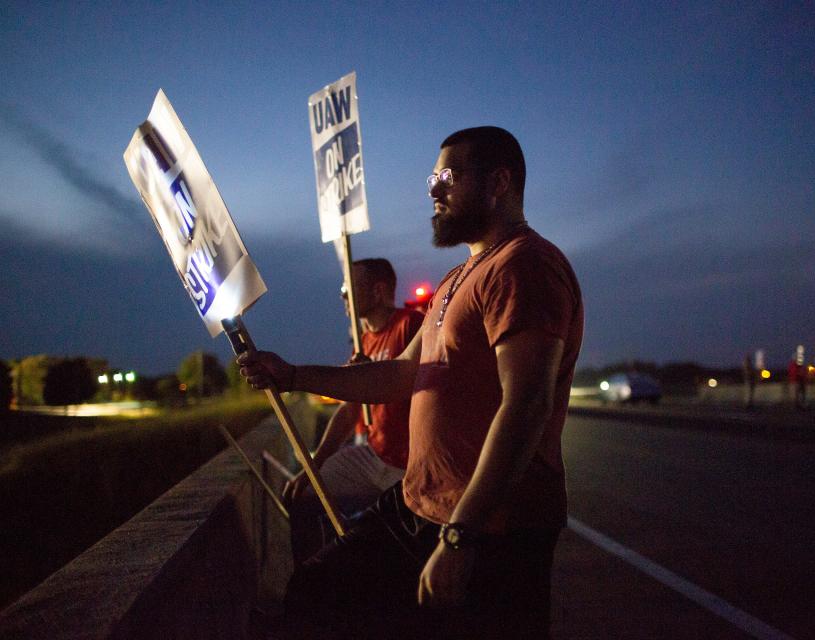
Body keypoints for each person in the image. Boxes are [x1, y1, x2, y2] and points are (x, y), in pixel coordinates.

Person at [239, 126, 583, 639]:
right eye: (432, 177)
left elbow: (526, 405)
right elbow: (401, 374)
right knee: (316, 593)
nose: (433, 190)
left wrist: (461, 537)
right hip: (419, 505)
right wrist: (292, 375)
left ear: (499, 182)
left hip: (494, 528)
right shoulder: (455, 281)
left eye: (448, 175)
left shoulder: (523, 267)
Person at [284, 258, 424, 565]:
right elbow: (350, 412)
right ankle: (312, 583)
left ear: (378, 291)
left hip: (409, 464)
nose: (342, 296)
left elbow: (411, 379)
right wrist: (313, 465)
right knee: (306, 494)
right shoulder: (365, 341)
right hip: (373, 454)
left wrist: (372, 374)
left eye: (348, 287)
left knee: (402, 547)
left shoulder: (410, 325)